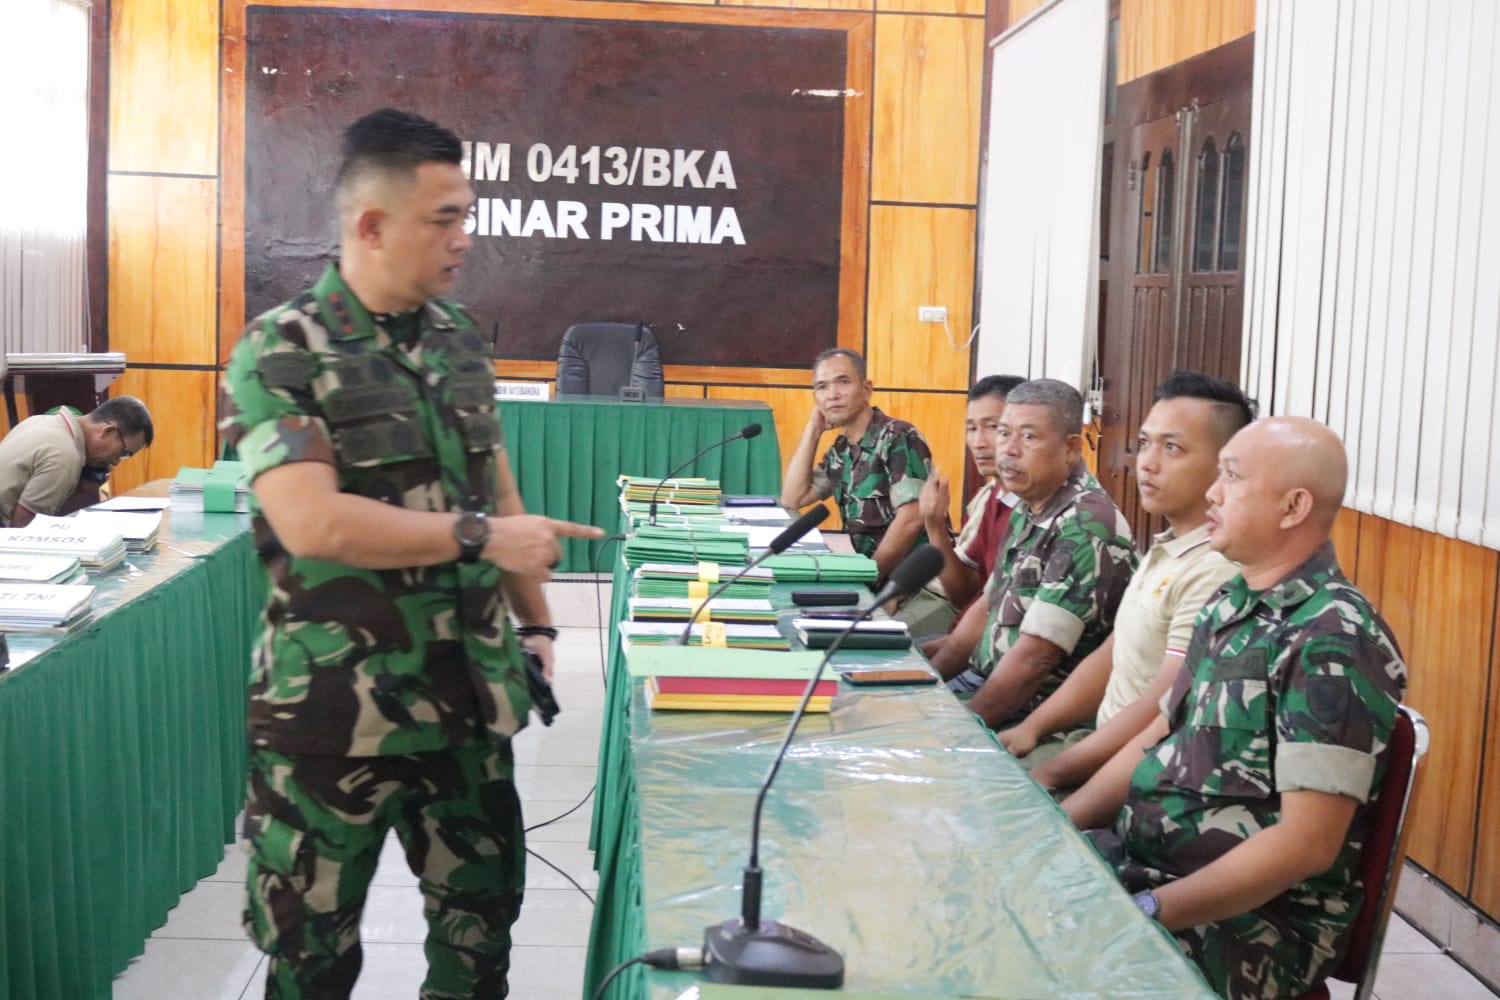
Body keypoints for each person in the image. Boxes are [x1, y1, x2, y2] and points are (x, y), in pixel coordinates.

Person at [220, 108, 602, 999]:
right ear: (371, 225)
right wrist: (479, 537)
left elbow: (494, 483)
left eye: (467, 215)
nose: (465, 238)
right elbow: (312, 522)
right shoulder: (281, 348)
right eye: (446, 218)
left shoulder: (459, 338)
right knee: (312, 960)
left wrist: (538, 625)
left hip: (467, 707)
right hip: (330, 721)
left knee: (477, 951)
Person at [1065, 417, 1407, 1000]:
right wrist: (1058, 827)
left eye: (1231, 477)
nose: (1212, 494)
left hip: (1256, 924)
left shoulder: (1333, 639)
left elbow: (1304, 845)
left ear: (1293, 506)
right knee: (991, 887)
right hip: (1148, 865)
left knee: (1044, 959)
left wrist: (1145, 910)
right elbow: (1157, 734)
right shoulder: (1231, 602)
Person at [999, 372, 1248, 781]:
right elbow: (1111, 656)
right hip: (1090, 742)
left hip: (1133, 771)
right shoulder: (1169, 547)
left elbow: (1160, 704)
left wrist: (1054, 773)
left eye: (1172, 448)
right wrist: (1032, 728)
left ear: (1226, 469)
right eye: (1146, 443)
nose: (1147, 462)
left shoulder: (1215, 569)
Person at [928, 379, 1136, 729]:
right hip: (982, 683)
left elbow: (1034, 661)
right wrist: (925, 682)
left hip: (1031, 711)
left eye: (1028, 437)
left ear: (1070, 448)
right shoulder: (1029, 503)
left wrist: (961, 734)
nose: (1007, 450)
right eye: (1004, 433)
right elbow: (984, 609)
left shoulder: (1086, 527)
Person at [780, 347, 935, 580]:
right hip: (870, 576)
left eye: (843, 382)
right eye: (822, 387)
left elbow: (911, 520)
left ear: (867, 389)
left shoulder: (897, 436)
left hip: (916, 582)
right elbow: (793, 498)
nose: (832, 394)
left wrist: (869, 582)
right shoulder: (842, 450)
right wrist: (813, 430)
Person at [913, 374, 1026, 618]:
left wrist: (934, 524)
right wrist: (933, 523)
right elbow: (964, 592)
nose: (978, 442)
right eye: (971, 428)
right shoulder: (995, 495)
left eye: (993, 427)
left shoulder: (1036, 504)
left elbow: (969, 604)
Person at [0, 395, 153, 526]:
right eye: (123, 452)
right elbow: (24, 530)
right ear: (108, 431)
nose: (116, 462)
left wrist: (76, 489)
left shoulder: (40, 421)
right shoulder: (64, 456)